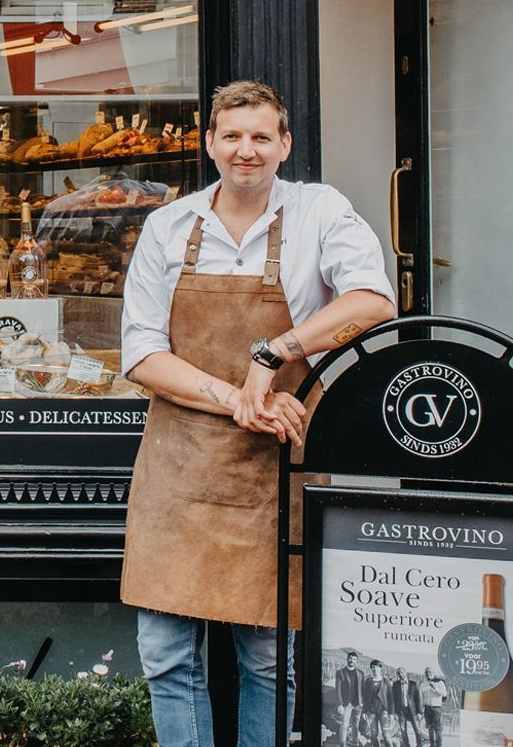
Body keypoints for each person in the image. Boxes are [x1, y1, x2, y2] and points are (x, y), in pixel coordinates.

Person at [119, 79, 396, 747]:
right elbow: (141, 353)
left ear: (285, 145)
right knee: (165, 655)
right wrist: (237, 398)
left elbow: (372, 301)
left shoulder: (318, 211)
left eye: (261, 137)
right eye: (233, 136)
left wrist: (273, 353)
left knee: (270, 662)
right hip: (180, 466)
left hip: (277, 465)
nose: (247, 151)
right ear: (210, 143)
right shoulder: (169, 227)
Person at [361, 661, 394, 747]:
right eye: (373, 667)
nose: (375, 669)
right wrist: (364, 711)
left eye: (377, 667)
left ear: (380, 669)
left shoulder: (386, 681)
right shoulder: (368, 681)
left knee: (386, 734)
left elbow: (390, 698)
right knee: (373, 734)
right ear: (371, 669)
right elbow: (365, 698)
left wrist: (391, 713)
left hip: (383, 711)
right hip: (371, 710)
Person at [336, 653, 364, 747]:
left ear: (356, 661)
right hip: (346, 704)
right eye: (350, 659)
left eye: (354, 659)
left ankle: (355, 744)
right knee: (344, 726)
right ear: (347, 659)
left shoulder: (360, 673)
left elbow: (363, 688)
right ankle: (342, 745)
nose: (352, 661)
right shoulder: (340, 672)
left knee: (356, 727)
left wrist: (362, 702)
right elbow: (338, 689)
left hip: (358, 705)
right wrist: (340, 704)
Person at [392, 667, 423, 747]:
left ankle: (419, 744)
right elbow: (393, 699)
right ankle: (406, 745)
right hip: (401, 711)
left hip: (412, 710)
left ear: (405, 672)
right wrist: (394, 712)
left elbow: (418, 699)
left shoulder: (413, 684)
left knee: (417, 729)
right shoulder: (395, 685)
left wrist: (419, 712)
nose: (400, 674)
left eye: (402, 672)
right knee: (403, 730)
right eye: (398, 673)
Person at [420, 668, 448, 747]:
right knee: (430, 728)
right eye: (427, 672)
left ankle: (439, 745)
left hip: (436, 709)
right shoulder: (423, 684)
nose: (428, 674)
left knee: (438, 729)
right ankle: (432, 744)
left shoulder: (440, 683)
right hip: (427, 708)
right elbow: (421, 698)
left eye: (430, 672)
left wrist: (435, 688)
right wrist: (421, 709)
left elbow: (444, 694)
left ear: (433, 673)